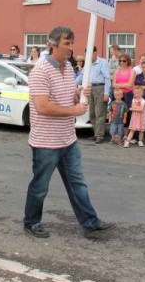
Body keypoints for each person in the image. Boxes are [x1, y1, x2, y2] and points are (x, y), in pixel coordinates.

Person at [23, 26, 114, 239]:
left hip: (68, 139)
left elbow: (66, 97)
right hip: (46, 141)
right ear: (52, 45)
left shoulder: (68, 68)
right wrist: (73, 110)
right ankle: (31, 222)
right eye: (66, 43)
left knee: (77, 183)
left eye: (72, 43)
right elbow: (42, 107)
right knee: (40, 186)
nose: (71, 48)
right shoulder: (40, 71)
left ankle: (90, 223)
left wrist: (78, 94)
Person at [75, 46, 111, 144]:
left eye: (90, 54)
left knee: (99, 113)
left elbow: (107, 78)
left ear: (95, 53)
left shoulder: (102, 62)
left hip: (100, 88)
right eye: (87, 54)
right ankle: (96, 133)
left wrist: (106, 93)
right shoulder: (87, 64)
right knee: (92, 113)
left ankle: (100, 135)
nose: (88, 56)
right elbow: (81, 76)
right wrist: (72, 85)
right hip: (89, 88)